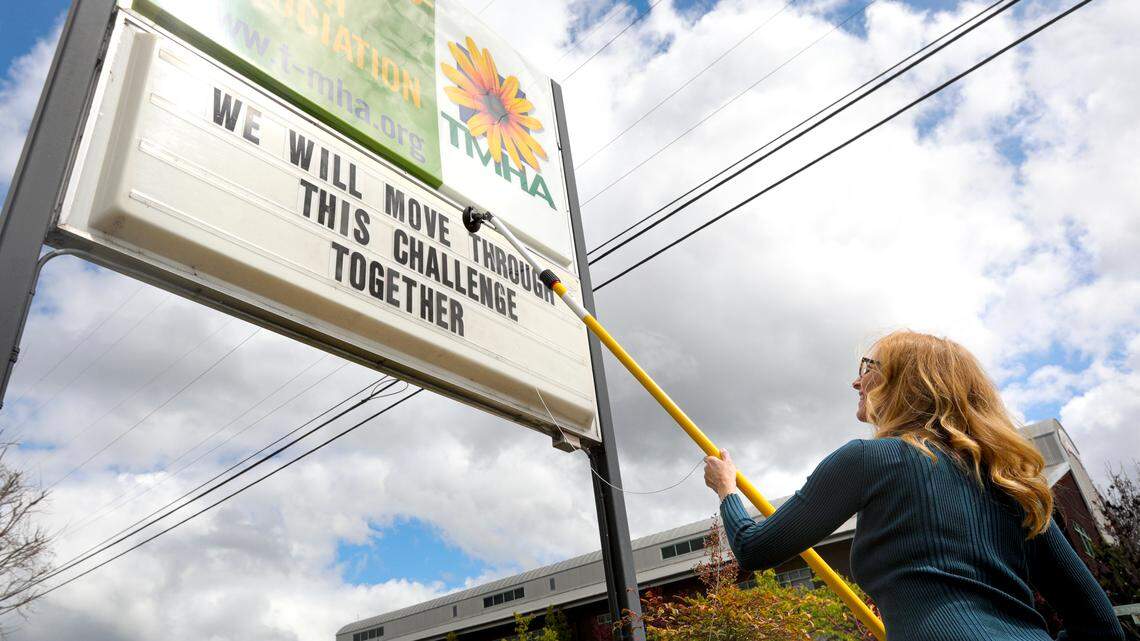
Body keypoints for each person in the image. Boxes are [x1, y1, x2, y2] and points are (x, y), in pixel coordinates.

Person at [703, 330, 1124, 641]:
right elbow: (1101, 625)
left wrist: (727, 490)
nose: (856, 382)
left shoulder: (869, 459)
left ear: (907, 382)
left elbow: (755, 548)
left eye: (867, 368)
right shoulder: (1012, 484)